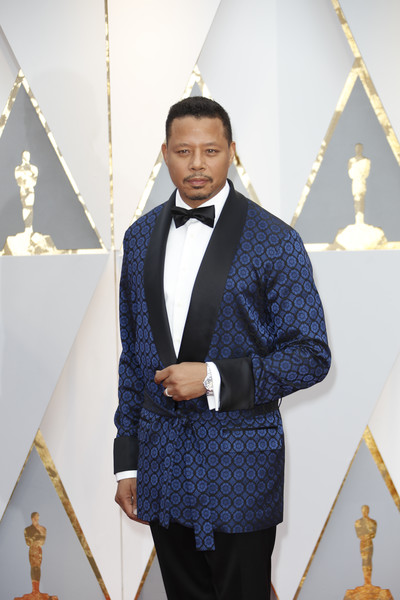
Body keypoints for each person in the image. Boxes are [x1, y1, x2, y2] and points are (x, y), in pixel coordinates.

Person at [114, 96, 331, 600]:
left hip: (240, 467)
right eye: (183, 151)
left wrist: (213, 378)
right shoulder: (139, 237)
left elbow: (310, 354)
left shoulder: (276, 240)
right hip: (162, 465)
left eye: (210, 151)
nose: (197, 164)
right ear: (165, 153)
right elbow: (132, 356)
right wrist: (128, 461)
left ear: (231, 151)